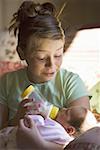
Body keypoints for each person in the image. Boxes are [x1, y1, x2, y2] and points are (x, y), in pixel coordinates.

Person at [0, 106, 99, 149]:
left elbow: (36, 123)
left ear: (69, 129)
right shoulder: (65, 140)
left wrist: (38, 114)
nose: (62, 109)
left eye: (66, 112)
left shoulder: (57, 130)